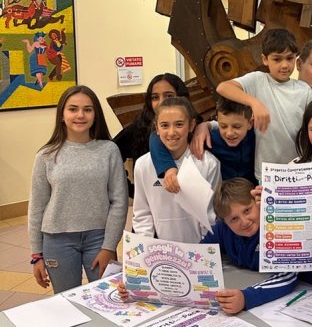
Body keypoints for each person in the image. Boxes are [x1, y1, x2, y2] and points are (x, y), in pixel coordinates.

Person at [120, 177, 297, 314]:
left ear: (258, 203)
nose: (244, 221)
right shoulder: (221, 230)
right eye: (234, 219)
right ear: (224, 221)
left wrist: (246, 298)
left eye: (247, 210)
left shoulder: (278, 228)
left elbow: (289, 275)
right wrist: (139, 284)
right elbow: (194, 260)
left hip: (295, 297)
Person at [28, 85, 128, 294]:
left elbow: (119, 202)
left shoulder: (108, 150)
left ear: (95, 114)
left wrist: (109, 246)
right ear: (62, 115)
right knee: (67, 301)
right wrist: (36, 254)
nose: (80, 115)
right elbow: (36, 207)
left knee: (107, 298)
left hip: (99, 239)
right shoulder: (46, 155)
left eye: (87, 109)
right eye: (73, 109)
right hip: (57, 240)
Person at [216, 28, 312, 180]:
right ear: (265, 59)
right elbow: (223, 87)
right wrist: (254, 103)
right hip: (266, 173)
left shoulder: (304, 90)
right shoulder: (257, 80)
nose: (284, 65)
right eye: (277, 59)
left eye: (289, 58)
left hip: (298, 171)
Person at [133, 97, 221, 243]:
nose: (172, 132)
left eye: (179, 124)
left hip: (199, 248)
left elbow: (211, 215)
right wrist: (147, 247)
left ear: (191, 125)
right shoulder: (142, 165)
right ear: (157, 128)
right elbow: (142, 214)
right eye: (164, 125)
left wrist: (204, 248)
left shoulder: (209, 164)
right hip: (159, 250)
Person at [113, 72, 195, 198]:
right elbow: (111, 154)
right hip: (152, 204)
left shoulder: (195, 127)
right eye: (155, 97)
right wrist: (130, 189)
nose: (161, 102)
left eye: (169, 96)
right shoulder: (138, 129)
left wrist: (206, 127)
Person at [153, 96, 256, 193]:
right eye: (223, 126)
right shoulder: (207, 138)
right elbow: (155, 138)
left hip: (253, 194)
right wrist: (168, 167)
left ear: (250, 123)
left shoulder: (257, 137)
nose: (229, 133)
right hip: (222, 197)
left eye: (237, 127)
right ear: (217, 120)